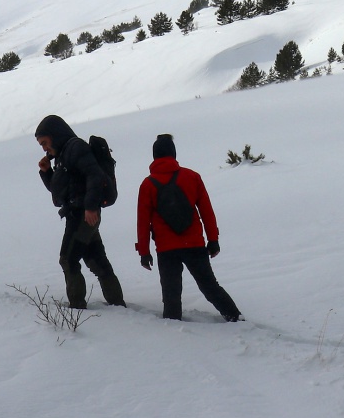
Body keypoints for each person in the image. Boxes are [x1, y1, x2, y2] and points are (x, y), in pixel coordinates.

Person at [135, 134, 240, 322]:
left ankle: (176, 333)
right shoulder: (192, 177)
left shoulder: (147, 185)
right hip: (194, 244)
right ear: (173, 154)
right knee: (210, 287)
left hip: (166, 249)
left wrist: (144, 252)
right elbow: (207, 211)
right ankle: (235, 319)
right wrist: (213, 240)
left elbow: (143, 222)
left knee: (171, 295)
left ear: (154, 156)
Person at [35, 115, 124, 309]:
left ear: (55, 135)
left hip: (83, 214)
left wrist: (91, 207)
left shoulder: (75, 148)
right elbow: (62, 192)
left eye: (44, 142)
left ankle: (77, 307)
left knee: (68, 259)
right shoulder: (62, 155)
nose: (44, 148)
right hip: (78, 213)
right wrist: (46, 172)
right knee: (96, 260)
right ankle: (117, 303)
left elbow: (95, 175)